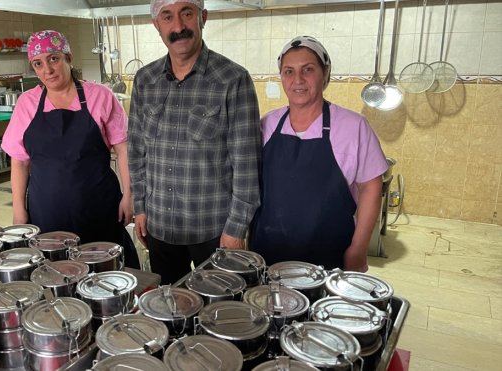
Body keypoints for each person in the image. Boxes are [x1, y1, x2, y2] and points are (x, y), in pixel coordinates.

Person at [128, 0, 261, 284]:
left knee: (218, 313)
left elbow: (247, 165)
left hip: (214, 230)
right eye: (167, 17)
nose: (178, 26)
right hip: (160, 227)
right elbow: (137, 152)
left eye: (187, 13)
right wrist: (140, 207)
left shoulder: (233, 79)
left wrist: (236, 229)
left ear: (203, 17)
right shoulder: (145, 80)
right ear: (157, 25)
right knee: (170, 310)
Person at [2, 30, 138, 268]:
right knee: (55, 273)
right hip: (47, 210)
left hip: (98, 206)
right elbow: (20, 161)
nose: (47, 70)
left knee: (105, 271)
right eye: (38, 63)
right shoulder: (27, 103)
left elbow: (124, 149)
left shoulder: (100, 96)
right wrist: (19, 210)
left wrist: (129, 195)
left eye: (53, 58)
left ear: (68, 57)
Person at [251, 36, 388, 272]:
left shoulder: (353, 126)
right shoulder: (268, 124)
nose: (298, 80)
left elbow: (371, 188)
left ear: (325, 74)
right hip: (268, 255)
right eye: (289, 72)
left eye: (308, 70)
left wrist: (358, 248)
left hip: (328, 258)